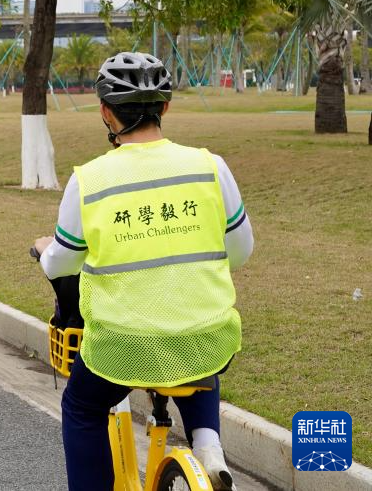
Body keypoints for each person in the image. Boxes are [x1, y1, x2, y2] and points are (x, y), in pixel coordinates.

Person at [30, 52, 253, 491]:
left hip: (123, 348)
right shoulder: (212, 167)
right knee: (197, 350)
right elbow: (241, 251)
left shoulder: (89, 180)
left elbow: (62, 261)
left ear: (105, 113)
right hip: (207, 337)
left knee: (81, 407)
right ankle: (208, 448)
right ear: (165, 108)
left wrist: (43, 248)